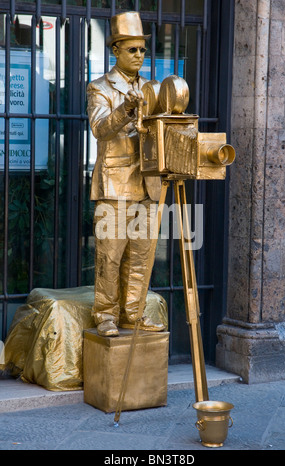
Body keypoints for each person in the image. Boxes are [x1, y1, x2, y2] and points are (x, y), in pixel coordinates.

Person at [87, 11, 164, 337]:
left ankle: (133, 314)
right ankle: (105, 315)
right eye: (132, 49)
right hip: (114, 185)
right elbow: (100, 129)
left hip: (148, 185)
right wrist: (126, 108)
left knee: (141, 259)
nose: (139, 56)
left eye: (143, 50)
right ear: (115, 50)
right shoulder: (100, 87)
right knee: (110, 257)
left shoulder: (154, 88)